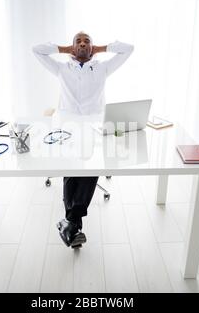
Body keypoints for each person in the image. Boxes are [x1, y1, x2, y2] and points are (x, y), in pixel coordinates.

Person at [32, 32, 134, 248]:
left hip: (94, 126)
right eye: (78, 41)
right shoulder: (62, 68)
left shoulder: (102, 68)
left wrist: (101, 48)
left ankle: (70, 223)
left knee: (91, 164)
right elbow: (37, 50)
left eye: (87, 41)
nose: (82, 44)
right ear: (72, 47)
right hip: (67, 126)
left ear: (92, 47)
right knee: (72, 165)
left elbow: (128, 49)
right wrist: (62, 49)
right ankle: (72, 224)